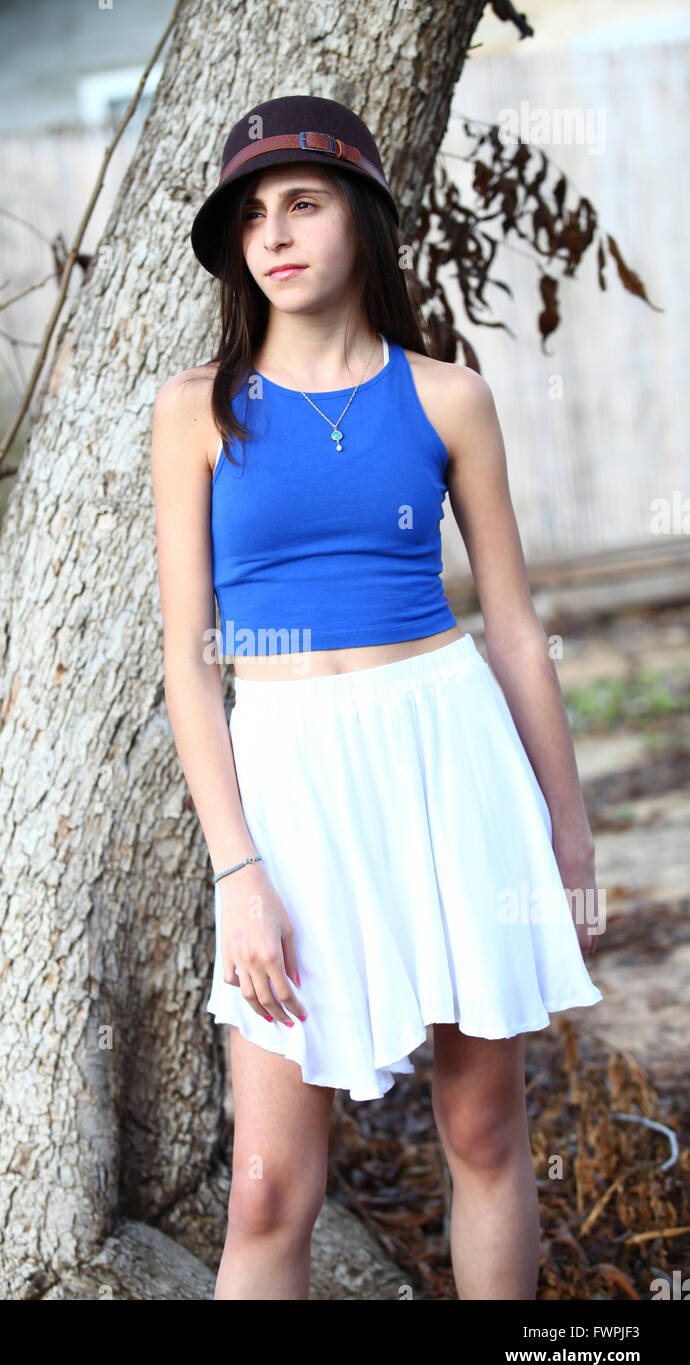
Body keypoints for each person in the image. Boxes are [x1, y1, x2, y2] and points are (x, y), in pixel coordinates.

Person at [150, 95, 603, 1301]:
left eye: (302, 203)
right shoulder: (195, 408)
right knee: (265, 1185)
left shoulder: (447, 396)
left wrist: (564, 833)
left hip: (446, 754)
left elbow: (511, 626)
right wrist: (236, 870)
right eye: (251, 215)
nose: (275, 234)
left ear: (361, 220)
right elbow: (189, 655)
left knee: (483, 1136)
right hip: (290, 782)